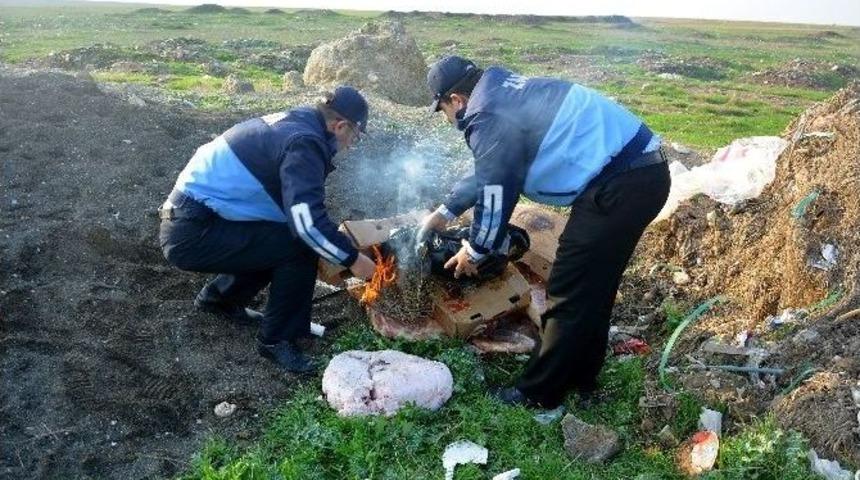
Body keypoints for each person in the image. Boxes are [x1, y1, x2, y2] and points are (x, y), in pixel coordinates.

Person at [418, 56, 671, 408]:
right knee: (592, 286)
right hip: (639, 173)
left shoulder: (487, 115)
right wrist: (447, 210)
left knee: (568, 288)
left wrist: (476, 249)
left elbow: (495, 189)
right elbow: (494, 166)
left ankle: (538, 393)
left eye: (443, 110)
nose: (447, 119)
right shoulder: (502, 94)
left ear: (456, 100)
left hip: (621, 183)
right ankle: (581, 376)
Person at [158, 86, 376, 374]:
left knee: (280, 238)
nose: (350, 146)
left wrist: (332, 241)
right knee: (298, 246)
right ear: (340, 126)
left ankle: (221, 300)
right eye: (354, 137)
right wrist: (353, 259)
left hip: (196, 217)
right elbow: (307, 225)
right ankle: (277, 340)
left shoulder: (300, 123)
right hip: (191, 231)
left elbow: (297, 208)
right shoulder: (304, 142)